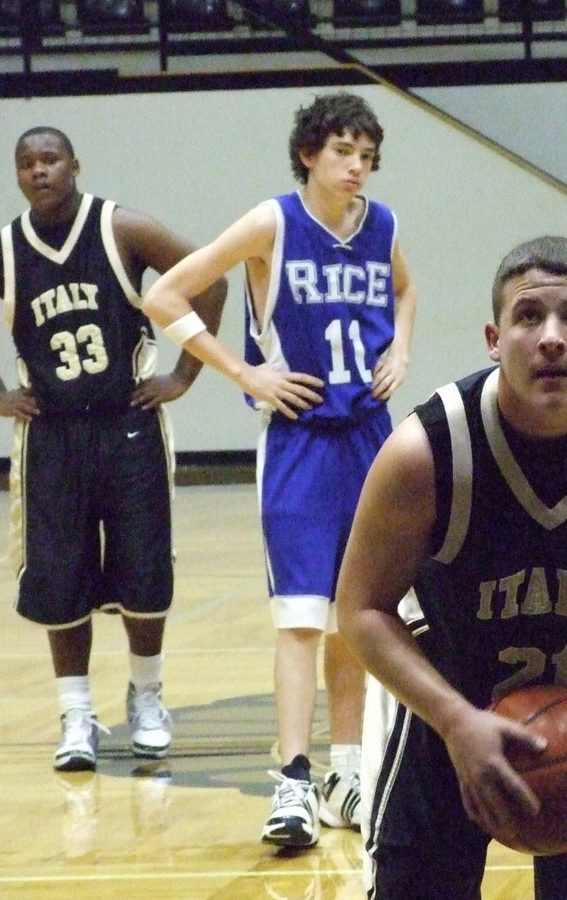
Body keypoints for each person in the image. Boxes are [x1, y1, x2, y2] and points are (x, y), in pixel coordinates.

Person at [335, 235, 567, 898]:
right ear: (493, 337)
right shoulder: (427, 451)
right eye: (527, 317)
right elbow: (361, 609)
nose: (551, 338)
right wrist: (455, 720)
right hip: (446, 719)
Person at [142, 91, 419, 848]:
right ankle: (293, 781)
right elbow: (163, 293)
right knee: (300, 617)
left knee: (359, 615)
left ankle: (348, 774)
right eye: (343, 152)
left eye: (366, 155)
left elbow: (404, 287)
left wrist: (399, 351)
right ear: (308, 153)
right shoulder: (274, 222)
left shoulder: (384, 224)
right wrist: (246, 372)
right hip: (298, 440)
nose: (357, 167)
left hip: (370, 436)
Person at [0, 126, 227, 773]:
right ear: (17, 175)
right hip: (52, 432)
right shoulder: (2, 252)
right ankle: (76, 713)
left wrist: (184, 375)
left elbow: (210, 280)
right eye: (26, 163)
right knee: (58, 573)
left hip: (127, 424)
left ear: (74, 164)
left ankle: (148, 697)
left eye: (49, 159)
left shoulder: (121, 228)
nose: (39, 171)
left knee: (144, 566)